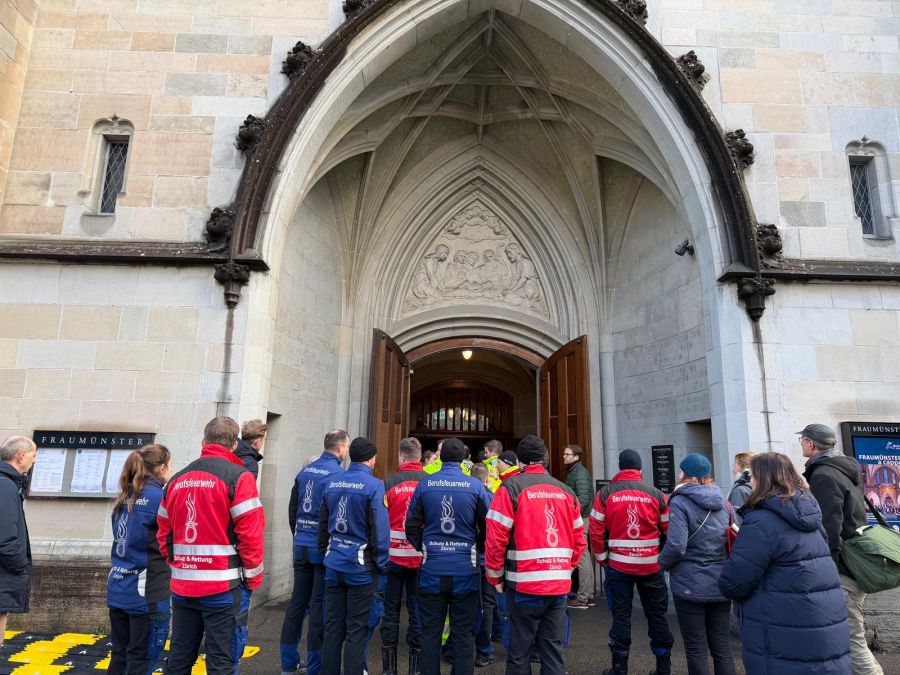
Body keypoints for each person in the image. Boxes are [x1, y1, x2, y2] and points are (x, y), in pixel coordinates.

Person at [718, 452, 851, 674]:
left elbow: (734, 583)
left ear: (764, 479)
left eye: (753, 476)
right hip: (822, 622)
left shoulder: (761, 521)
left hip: (780, 627)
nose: (749, 481)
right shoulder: (812, 513)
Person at [157, 417, 265, 675]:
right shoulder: (239, 477)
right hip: (223, 589)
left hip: (184, 587)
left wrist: (177, 564)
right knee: (221, 664)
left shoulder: (177, 480)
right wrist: (252, 578)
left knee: (179, 660)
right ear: (234, 446)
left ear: (203, 441)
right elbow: (251, 535)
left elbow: (163, 532)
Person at [485, 435, 585, 675]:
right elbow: (579, 539)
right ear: (545, 459)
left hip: (523, 586)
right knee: (552, 651)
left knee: (519, 652)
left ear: (519, 460)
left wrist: (495, 576)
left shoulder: (510, 488)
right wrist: (565, 568)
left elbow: (495, 538)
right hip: (557, 585)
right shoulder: (565, 491)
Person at [405, 437, 492, 675]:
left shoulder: (425, 484)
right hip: (465, 571)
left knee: (430, 634)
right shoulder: (475, 486)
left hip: (432, 570)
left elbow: (411, 524)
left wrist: (423, 548)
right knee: (464, 635)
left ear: (441, 458)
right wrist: (478, 548)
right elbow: (489, 525)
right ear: (463, 459)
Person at [800, 423, 882, 675]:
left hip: (842, 570)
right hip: (852, 564)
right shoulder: (843, 468)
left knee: (851, 639)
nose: (801, 444)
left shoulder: (824, 474)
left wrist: (825, 569)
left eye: (803, 440)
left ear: (811, 444)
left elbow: (829, 528)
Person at [590, 449, 673, 675]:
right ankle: (663, 668)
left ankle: (619, 669)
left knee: (621, 616)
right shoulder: (657, 495)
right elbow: (669, 530)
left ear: (620, 468)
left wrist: (601, 557)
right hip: (651, 566)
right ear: (640, 469)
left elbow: (595, 529)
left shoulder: (606, 493)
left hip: (618, 566)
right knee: (657, 616)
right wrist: (662, 558)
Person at [317, 437, 389, 675]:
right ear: (371, 459)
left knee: (333, 628)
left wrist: (324, 555)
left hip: (334, 563)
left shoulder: (333, 481)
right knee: (356, 630)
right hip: (360, 568)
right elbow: (379, 531)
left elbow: (323, 524)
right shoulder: (375, 485)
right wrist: (381, 564)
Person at [658, 454, 735, 675]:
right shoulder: (725, 502)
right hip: (721, 582)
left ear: (688, 475)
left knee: (696, 648)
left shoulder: (680, 502)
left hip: (690, 584)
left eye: (681, 471)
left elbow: (676, 546)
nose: (678, 474)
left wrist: (659, 564)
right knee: (722, 647)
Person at [281, 430, 349, 675]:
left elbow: (292, 508)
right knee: (320, 606)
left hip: (301, 544)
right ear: (341, 447)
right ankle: (315, 665)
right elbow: (336, 514)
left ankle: (288, 663)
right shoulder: (338, 474)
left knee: (297, 604)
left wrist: (299, 535)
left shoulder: (305, 471)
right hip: (322, 548)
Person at [107, 444, 173, 675]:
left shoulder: (125, 494)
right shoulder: (161, 498)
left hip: (118, 586)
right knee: (142, 659)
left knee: (120, 656)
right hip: (147, 592)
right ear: (162, 468)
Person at [381, 437, 427, 675]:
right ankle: (415, 669)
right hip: (419, 558)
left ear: (401, 456)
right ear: (419, 457)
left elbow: (380, 518)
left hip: (392, 557)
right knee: (417, 609)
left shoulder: (388, 480)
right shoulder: (429, 481)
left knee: (390, 610)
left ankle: (389, 670)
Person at [0, 436, 36, 649]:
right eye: (33, 455)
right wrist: (20, 567)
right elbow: (5, 538)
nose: (35, 461)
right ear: (21, 457)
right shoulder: (5, 487)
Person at [469, 462, 498, 667]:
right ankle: (483, 651)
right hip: (487, 559)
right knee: (488, 605)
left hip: (467, 559)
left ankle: (460, 648)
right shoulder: (493, 498)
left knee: (465, 603)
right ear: (487, 479)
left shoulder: (465, 496)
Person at [562, 444, 594, 610]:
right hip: (581, 517)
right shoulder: (574, 471)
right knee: (585, 555)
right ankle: (587, 594)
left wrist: (572, 518)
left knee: (581, 555)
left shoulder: (579, 473)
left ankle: (582, 597)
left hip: (580, 518)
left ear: (576, 457)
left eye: (567, 454)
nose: (564, 457)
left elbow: (582, 499)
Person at [726, 452, 754, 525]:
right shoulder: (760, 484)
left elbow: (736, 521)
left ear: (742, 466)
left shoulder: (741, 489)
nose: (733, 470)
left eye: (734, 465)